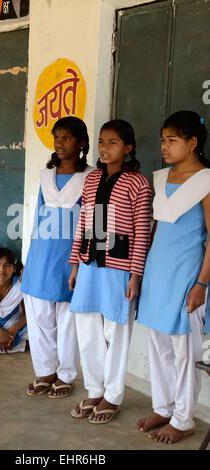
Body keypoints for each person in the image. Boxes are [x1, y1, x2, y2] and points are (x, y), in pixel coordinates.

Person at [69, 119, 151, 423]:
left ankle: (112, 396)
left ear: (128, 148)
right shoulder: (92, 180)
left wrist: (136, 275)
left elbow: (142, 232)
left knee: (115, 332)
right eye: (101, 142)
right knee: (87, 328)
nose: (105, 148)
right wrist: (75, 264)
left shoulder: (138, 182)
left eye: (112, 142)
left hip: (119, 267)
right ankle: (94, 389)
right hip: (90, 263)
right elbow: (84, 224)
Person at [136, 111, 210, 444]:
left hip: (186, 276)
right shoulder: (161, 177)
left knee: (183, 350)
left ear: (192, 143)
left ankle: (183, 418)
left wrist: (201, 284)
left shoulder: (206, 181)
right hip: (157, 274)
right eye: (162, 140)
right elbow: (154, 230)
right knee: (159, 345)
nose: (164, 146)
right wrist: (140, 275)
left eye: (172, 140)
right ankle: (163, 406)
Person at [21, 116, 94, 398]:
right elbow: (38, 216)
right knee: (39, 316)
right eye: (57, 138)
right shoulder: (45, 175)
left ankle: (65, 374)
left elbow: (92, 221)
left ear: (81, 143)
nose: (60, 143)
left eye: (67, 138)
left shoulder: (89, 178)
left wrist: (82, 259)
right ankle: (45, 371)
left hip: (70, 254)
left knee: (67, 319)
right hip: (42, 252)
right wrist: (31, 255)